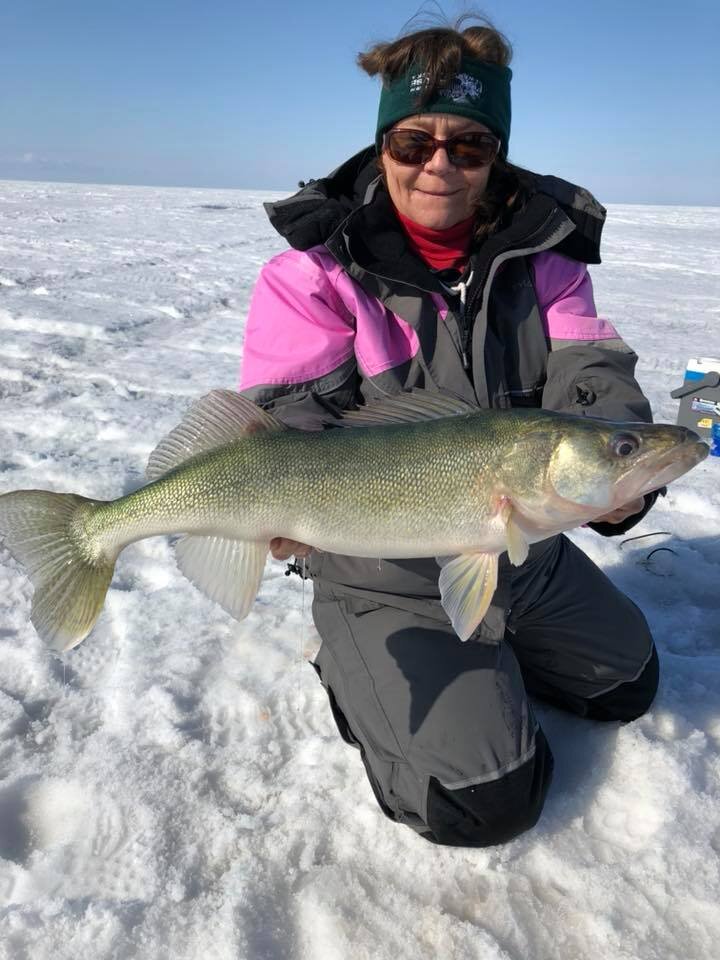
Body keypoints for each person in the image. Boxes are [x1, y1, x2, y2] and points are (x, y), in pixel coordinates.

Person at [239, 19, 660, 847]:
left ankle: (499, 647)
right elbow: (288, 428)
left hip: (516, 543)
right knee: (482, 803)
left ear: (494, 153)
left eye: (468, 146)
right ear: (383, 144)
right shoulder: (313, 273)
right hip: (379, 567)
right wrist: (278, 516)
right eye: (412, 141)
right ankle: (355, 655)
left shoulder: (548, 259)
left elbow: (593, 379)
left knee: (629, 687)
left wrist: (620, 461)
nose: (439, 164)